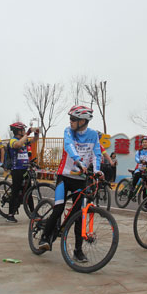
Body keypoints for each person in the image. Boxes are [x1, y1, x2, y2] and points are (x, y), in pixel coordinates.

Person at [38, 105, 103, 262]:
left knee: (79, 216)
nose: (71, 121)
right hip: (64, 177)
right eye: (71, 118)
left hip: (81, 180)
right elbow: (69, 146)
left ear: (83, 120)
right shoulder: (68, 131)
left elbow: (96, 154)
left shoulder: (93, 135)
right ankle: (45, 238)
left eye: (74, 119)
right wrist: (79, 161)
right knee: (59, 208)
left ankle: (78, 251)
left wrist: (97, 170)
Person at [6, 122, 39, 223]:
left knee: (29, 191)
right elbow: (18, 145)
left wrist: (36, 133)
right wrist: (27, 134)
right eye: (23, 130)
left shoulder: (24, 140)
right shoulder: (13, 140)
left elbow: (34, 140)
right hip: (16, 170)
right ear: (18, 131)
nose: (24, 132)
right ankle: (10, 214)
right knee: (15, 192)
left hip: (25, 169)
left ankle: (33, 212)